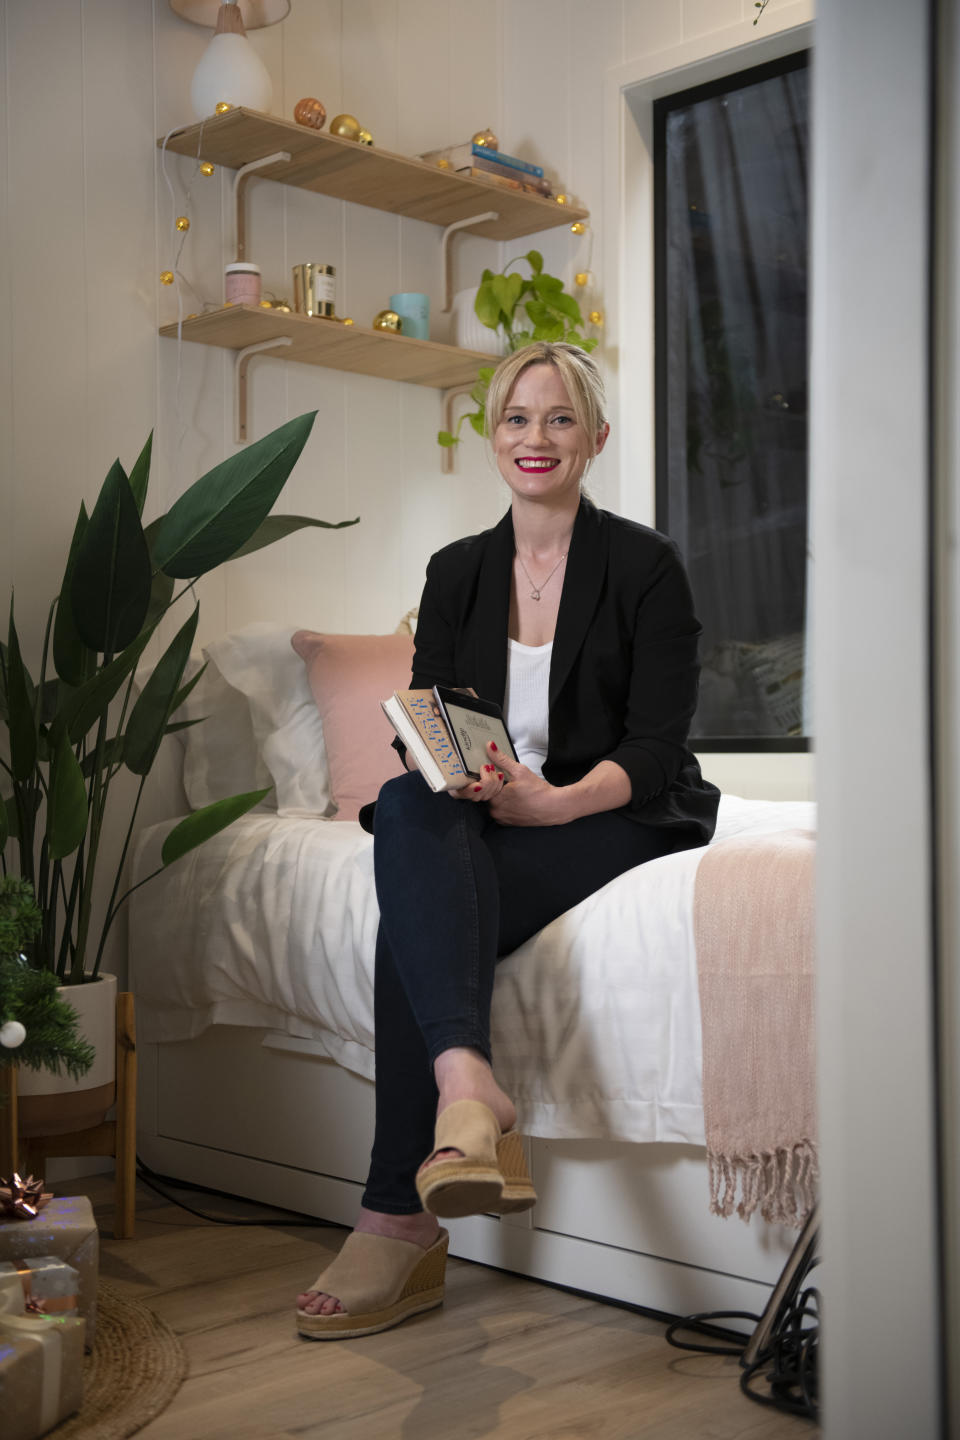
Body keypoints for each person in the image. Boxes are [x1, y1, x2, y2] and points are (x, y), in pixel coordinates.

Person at [296, 341, 719, 1339]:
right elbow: (434, 718)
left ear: (596, 437)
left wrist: (557, 803)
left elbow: (659, 748)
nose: (538, 438)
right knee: (405, 811)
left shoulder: (647, 565)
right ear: (493, 440)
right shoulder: (455, 572)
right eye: (517, 419)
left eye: (560, 418)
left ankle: (396, 1217)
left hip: (615, 810)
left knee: (414, 922)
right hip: (483, 806)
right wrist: (464, 777)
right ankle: (467, 1087)